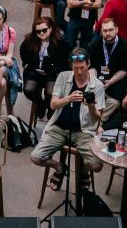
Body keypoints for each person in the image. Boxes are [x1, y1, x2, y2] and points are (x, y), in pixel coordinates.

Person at [30, 47, 109, 190]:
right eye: (76, 68)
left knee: (96, 165)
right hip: (58, 128)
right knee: (36, 157)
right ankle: (60, 167)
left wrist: (91, 106)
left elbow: (99, 117)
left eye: (82, 68)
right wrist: (68, 98)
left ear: (88, 64)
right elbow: (53, 105)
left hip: (83, 132)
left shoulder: (97, 85)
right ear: (71, 66)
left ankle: (84, 171)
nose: (79, 72)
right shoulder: (63, 76)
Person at [20, 17, 70, 120]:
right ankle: (40, 104)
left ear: (50, 29)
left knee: (50, 92)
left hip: (53, 73)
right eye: (38, 31)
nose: (41, 33)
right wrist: (27, 63)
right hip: (34, 71)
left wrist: (54, 67)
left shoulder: (61, 41)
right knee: (28, 90)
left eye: (44, 30)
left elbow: (66, 61)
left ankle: (50, 107)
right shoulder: (30, 40)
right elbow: (23, 53)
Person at [87, 17, 127, 104]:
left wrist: (110, 82)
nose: (108, 33)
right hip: (99, 78)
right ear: (101, 31)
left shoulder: (126, 47)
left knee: (119, 96)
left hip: (117, 81)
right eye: (105, 31)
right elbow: (91, 66)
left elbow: (124, 70)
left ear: (116, 30)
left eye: (110, 30)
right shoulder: (94, 45)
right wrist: (95, 81)